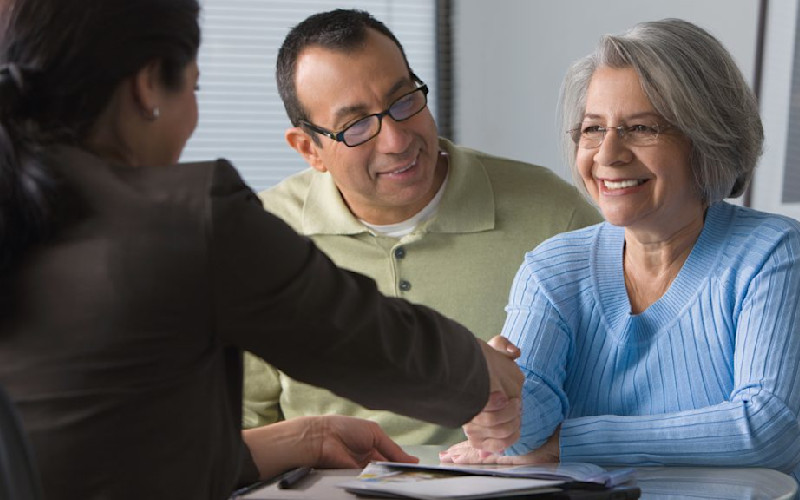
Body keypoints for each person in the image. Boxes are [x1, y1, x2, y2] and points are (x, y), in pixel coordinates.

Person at [0, 1, 526, 498]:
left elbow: (100, 455)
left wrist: (296, 440)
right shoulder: (188, 217)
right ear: (146, 88)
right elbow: (355, 335)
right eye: (194, 88)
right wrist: (480, 372)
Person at [441, 18, 800, 480]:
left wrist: (570, 444)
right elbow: (527, 435)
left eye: (641, 127)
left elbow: (768, 428)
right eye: (592, 129)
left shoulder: (771, 254)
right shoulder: (552, 269)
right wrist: (497, 399)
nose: (608, 154)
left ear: (707, 139)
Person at [243, 8, 601, 447]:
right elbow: (238, 433)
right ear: (308, 148)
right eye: (355, 126)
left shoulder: (553, 215)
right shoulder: (260, 238)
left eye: (404, 100)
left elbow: (619, 389)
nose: (396, 141)